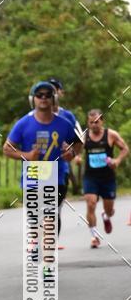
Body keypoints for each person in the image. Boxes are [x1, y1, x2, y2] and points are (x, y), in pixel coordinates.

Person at [3, 82, 81, 231]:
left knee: (49, 219)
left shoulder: (64, 124)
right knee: (35, 222)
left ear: (54, 99)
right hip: (32, 176)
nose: (43, 98)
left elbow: (78, 143)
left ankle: (48, 253)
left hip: (57, 177)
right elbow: (7, 149)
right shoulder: (23, 124)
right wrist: (27, 155)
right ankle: (38, 250)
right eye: (39, 95)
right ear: (33, 99)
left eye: (48, 95)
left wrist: (71, 153)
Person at [80, 109, 128, 247]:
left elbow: (125, 149)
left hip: (107, 177)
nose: (94, 125)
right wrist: (76, 157)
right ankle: (94, 237)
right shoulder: (84, 137)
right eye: (91, 122)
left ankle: (106, 216)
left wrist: (117, 161)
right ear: (88, 123)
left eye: (97, 122)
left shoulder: (111, 135)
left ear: (102, 121)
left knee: (109, 210)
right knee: (91, 204)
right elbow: (76, 151)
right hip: (91, 177)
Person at [46, 77, 83, 247]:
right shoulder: (33, 116)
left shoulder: (67, 116)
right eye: (48, 89)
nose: (51, 92)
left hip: (61, 169)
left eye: (55, 89)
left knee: (54, 209)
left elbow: (80, 139)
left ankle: (49, 246)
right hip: (36, 169)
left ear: (60, 93)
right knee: (35, 208)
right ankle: (38, 243)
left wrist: (73, 153)